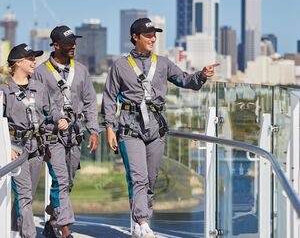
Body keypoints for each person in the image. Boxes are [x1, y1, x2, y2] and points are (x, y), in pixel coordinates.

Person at [101, 17, 219, 238]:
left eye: (154, 35)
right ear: (135, 37)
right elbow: (108, 98)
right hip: (130, 129)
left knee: (151, 180)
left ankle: (140, 223)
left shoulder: (163, 63)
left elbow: (185, 80)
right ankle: (143, 222)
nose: (153, 38)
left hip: (157, 129)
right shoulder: (120, 65)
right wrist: (109, 127)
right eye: (148, 35)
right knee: (138, 177)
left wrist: (202, 75)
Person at [33, 25, 99, 238]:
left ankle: (52, 219)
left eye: (74, 42)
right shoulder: (41, 73)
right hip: (52, 137)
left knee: (67, 182)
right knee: (60, 180)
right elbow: (37, 106)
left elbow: (90, 102)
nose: (74, 46)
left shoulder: (81, 70)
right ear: (56, 45)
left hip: (76, 135)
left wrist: (94, 130)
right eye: (69, 43)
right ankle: (65, 229)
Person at [0, 43, 69, 238]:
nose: (34, 61)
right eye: (30, 58)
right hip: (16, 151)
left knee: (27, 197)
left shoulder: (39, 87)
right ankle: (29, 236)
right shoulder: (4, 91)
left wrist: (60, 119)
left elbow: (52, 109)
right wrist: (7, 149)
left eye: (34, 58)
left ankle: (14, 232)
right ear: (18, 62)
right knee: (23, 195)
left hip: (37, 149)